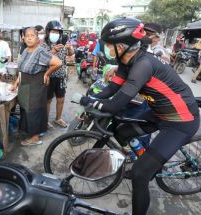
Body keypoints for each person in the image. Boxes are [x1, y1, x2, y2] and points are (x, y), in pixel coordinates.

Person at [80, 17, 199, 215]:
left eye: (109, 45)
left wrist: (92, 103)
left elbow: (116, 104)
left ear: (122, 45)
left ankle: (144, 172)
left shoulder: (142, 65)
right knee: (120, 131)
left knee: (139, 174)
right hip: (158, 112)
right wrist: (92, 96)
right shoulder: (126, 61)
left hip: (180, 121)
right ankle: (146, 159)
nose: (106, 48)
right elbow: (111, 89)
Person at [11, 27, 61, 145]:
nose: (29, 38)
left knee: (34, 110)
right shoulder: (25, 50)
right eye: (26, 35)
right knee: (25, 109)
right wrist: (16, 83)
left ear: (37, 38)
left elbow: (58, 63)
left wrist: (47, 73)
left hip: (35, 85)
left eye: (32, 35)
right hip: (25, 84)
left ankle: (35, 138)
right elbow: (22, 70)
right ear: (23, 38)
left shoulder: (40, 51)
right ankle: (34, 131)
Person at [41, 20, 74, 128]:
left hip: (61, 76)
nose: (55, 34)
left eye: (57, 32)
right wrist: (54, 50)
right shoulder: (44, 44)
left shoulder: (63, 42)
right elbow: (43, 58)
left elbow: (70, 54)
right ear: (48, 31)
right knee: (48, 100)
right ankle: (44, 121)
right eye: (53, 31)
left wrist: (69, 48)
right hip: (49, 76)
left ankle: (58, 118)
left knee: (61, 98)